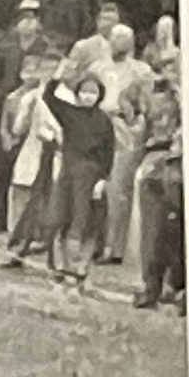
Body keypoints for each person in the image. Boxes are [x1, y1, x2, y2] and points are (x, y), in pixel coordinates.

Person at [42, 70, 114, 284]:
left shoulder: (104, 121)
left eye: (93, 92)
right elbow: (49, 97)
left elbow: (108, 152)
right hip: (67, 172)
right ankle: (59, 265)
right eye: (84, 91)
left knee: (85, 221)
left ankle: (80, 267)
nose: (88, 96)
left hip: (91, 176)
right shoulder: (69, 113)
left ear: (99, 95)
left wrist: (102, 179)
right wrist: (59, 76)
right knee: (59, 217)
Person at [0, 0, 47, 234]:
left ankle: (30, 223)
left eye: (31, 19)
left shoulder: (44, 47)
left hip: (34, 107)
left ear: (38, 22)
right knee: (2, 164)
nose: (27, 24)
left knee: (30, 168)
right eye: (23, 19)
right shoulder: (6, 47)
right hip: (6, 104)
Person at [96, 22, 154, 265]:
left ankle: (116, 247)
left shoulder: (141, 71)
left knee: (119, 189)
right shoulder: (98, 68)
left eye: (125, 39)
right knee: (97, 187)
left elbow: (148, 105)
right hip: (99, 126)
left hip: (126, 130)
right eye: (116, 38)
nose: (120, 43)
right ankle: (97, 243)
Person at [129, 63, 185, 310]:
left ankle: (179, 286)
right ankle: (151, 286)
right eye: (166, 67)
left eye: (175, 66)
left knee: (178, 231)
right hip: (157, 160)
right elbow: (141, 123)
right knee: (153, 229)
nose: (169, 72)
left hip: (185, 165)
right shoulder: (153, 93)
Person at [0, 46, 62, 262]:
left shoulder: (68, 100)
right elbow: (18, 129)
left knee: (52, 205)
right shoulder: (32, 98)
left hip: (56, 156)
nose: (50, 74)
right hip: (32, 152)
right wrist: (26, 113)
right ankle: (16, 247)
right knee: (23, 199)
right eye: (46, 69)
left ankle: (51, 253)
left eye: (55, 69)